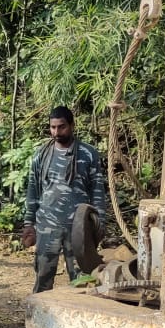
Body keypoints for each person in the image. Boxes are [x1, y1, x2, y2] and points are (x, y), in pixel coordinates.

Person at [21, 106, 108, 293]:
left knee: (81, 279)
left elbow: (97, 190)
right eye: (53, 127)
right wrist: (29, 223)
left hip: (78, 227)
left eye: (61, 127)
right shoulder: (41, 154)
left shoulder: (88, 153)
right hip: (47, 225)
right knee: (43, 277)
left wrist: (100, 222)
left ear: (72, 125)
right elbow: (33, 190)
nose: (56, 132)